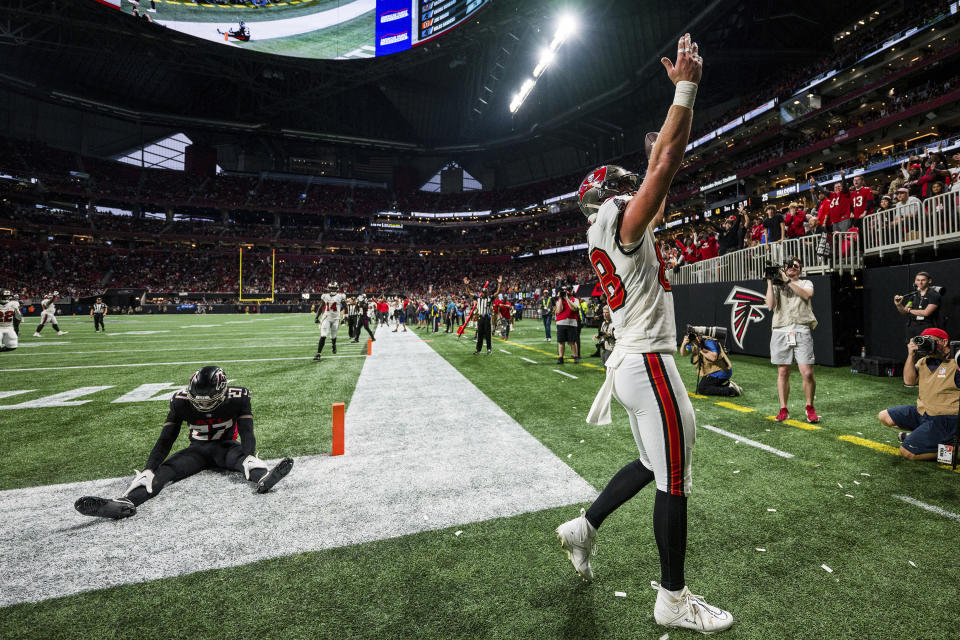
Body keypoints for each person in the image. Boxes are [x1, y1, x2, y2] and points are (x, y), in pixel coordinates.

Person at [555, 34, 733, 634]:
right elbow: (658, 176)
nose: (638, 190)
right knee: (675, 479)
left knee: (651, 464)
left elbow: (654, 197)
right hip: (648, 362)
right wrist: (685, 90)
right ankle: (673, 598)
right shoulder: (616, 219)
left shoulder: (604, 229)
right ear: (610, 199)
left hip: (631, 361)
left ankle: (584, 526)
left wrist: (665, 148)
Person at [74, 366, 294, 519]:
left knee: (247, 461)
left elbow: (247, 433)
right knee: (161, 473)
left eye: (208, 400)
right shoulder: (180, 402)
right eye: (197, 399)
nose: (202, 404)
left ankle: (264, 479)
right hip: (197, 451)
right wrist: (149, 468)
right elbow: (166, 438)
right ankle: (126, 502)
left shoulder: (239, 397)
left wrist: (249, 454)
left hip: (226, 447)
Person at [878, 328, 958, 461]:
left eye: (930, 340)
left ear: (944, 342)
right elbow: (909, 381)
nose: (925, 344)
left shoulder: (956, 362)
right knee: (884, 416)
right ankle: (922, 435)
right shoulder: (923, 361)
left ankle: (955, 450)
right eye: (923, 340)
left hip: (945, 419)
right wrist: (911, 355)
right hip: (923, 412)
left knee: (908, 452)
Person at [765, 257, 819, 423]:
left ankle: (810, 407)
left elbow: (807, 295)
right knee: (783, 371)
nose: (792, 268)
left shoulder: (805, 283)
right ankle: (783, 408)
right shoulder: (776, 285)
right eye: (789, 266)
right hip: (781, 328)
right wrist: (769, 281)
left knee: (807, 372)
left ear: (800, 270)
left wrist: (786, 280)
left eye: (796, 266)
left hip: (801, 328)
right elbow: (770, 305)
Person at [679, 330, 742, 396]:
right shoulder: (694, 342)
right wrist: (684, 344)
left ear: (699, 335)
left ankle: (730, 390)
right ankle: (729, 386)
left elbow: (713, 357)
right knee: (707, 385)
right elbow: (683, 353)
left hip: (721, 370)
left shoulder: (709, 342)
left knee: (703, 389)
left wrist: (700, 349)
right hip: (712, 371)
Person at [894, 271, 940, 345]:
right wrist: (898, 305)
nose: (920, 282)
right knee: (912, 350)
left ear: (929, 281)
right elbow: (904, 312)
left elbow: (926, 313)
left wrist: (910, 310)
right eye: (918, 280)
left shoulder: (934, 295)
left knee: (924, 351)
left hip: (927, 328)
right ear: (915, 281)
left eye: (923, 280)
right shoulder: (914, 296)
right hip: (912, 328)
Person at [314, 281, 345, 361]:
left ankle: (334, 345)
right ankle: (318, 354)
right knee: (323, 335)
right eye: (331, 288)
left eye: (334, 288)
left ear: (337, 288)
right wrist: (316, 317)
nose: (332, 289)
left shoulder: (340, 296)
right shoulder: (325, 296)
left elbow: (346, 307)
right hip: (326, 317)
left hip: (336, 318)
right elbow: (321, 307)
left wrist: (345, 318)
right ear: (329, 288)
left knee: (333, 336)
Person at [472, 276, 501, 355]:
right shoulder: (478, 299)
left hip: (487, 317)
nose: (484, 293)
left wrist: (500, 283)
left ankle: (489, 349)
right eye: (483, 292)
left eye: (485, 292)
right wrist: (466, 285)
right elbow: (468, 293)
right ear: (482, 292)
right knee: (480, 334)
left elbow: (497, 292)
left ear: (487, 292)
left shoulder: (490, 298)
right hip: (481, 317)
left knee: (488, 335)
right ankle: (478, 350)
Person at [554, 287, 580, 364]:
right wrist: (561, 299)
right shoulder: (559, 300)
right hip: (561, 323)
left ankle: (575, 356)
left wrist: (567, 299)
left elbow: (574, 308)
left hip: (572, 323)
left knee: (573, 342)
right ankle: (561, 358)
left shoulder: (575, 300)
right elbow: (559, 310)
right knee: (561, 341)